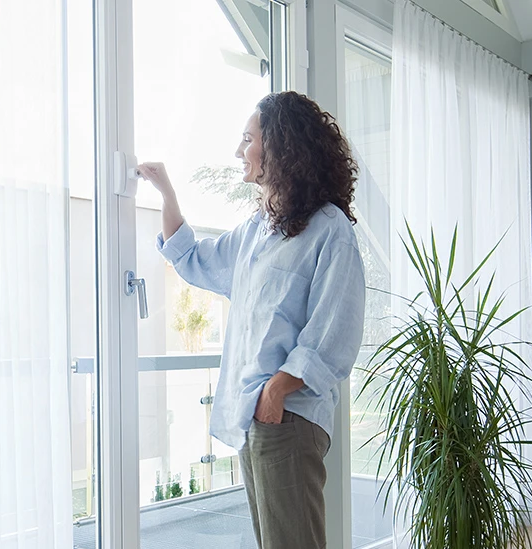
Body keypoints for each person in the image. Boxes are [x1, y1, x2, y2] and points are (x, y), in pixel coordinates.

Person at [138, 91, 366, 549]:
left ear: (281, 148)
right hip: (258, 415)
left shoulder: (330, 229)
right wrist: (167, 194)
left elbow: (335, 331)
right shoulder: (256, 230)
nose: (238, 152)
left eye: (248, 140)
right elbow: (194, 260)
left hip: (289, 413)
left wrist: (277, 390)